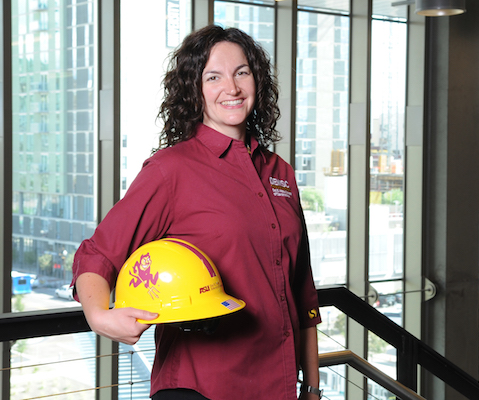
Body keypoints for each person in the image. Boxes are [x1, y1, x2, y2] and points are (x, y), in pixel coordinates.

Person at [71, 25, 322, 400]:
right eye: (213, 76)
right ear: (194, 89)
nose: (232, 88)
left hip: (280, 386)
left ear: (257, 80)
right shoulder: (171, 169)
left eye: (242, 72)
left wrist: (313, 387)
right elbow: (99, 253)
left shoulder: (280, 172)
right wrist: (99, 316)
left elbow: (301, 291)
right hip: (201, 385)